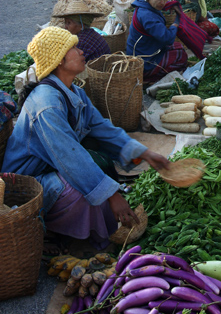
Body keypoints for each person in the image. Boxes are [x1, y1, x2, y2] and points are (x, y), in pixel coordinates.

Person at [2, 26, 169, 250]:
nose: (81, 52)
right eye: (74, 48)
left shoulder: (74, 91)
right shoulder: (46, 104)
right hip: (29, 180)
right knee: (83, 193)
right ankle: (59, 233)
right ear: (59, 60)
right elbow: (69, 157)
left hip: (52, 166)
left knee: (99, 158)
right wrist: (111, 195)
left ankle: (94, 220)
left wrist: (144, 153)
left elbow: (101, 127)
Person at [126, 0, 188, 82]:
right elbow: (168, 38)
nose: (162, 2)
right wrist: (176, 23)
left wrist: (170, 5)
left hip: (145, 50)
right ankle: (150, 77)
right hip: (143, 61)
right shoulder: (147, 16)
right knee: (181, 56)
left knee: (178, 47)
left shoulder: (143, 3)